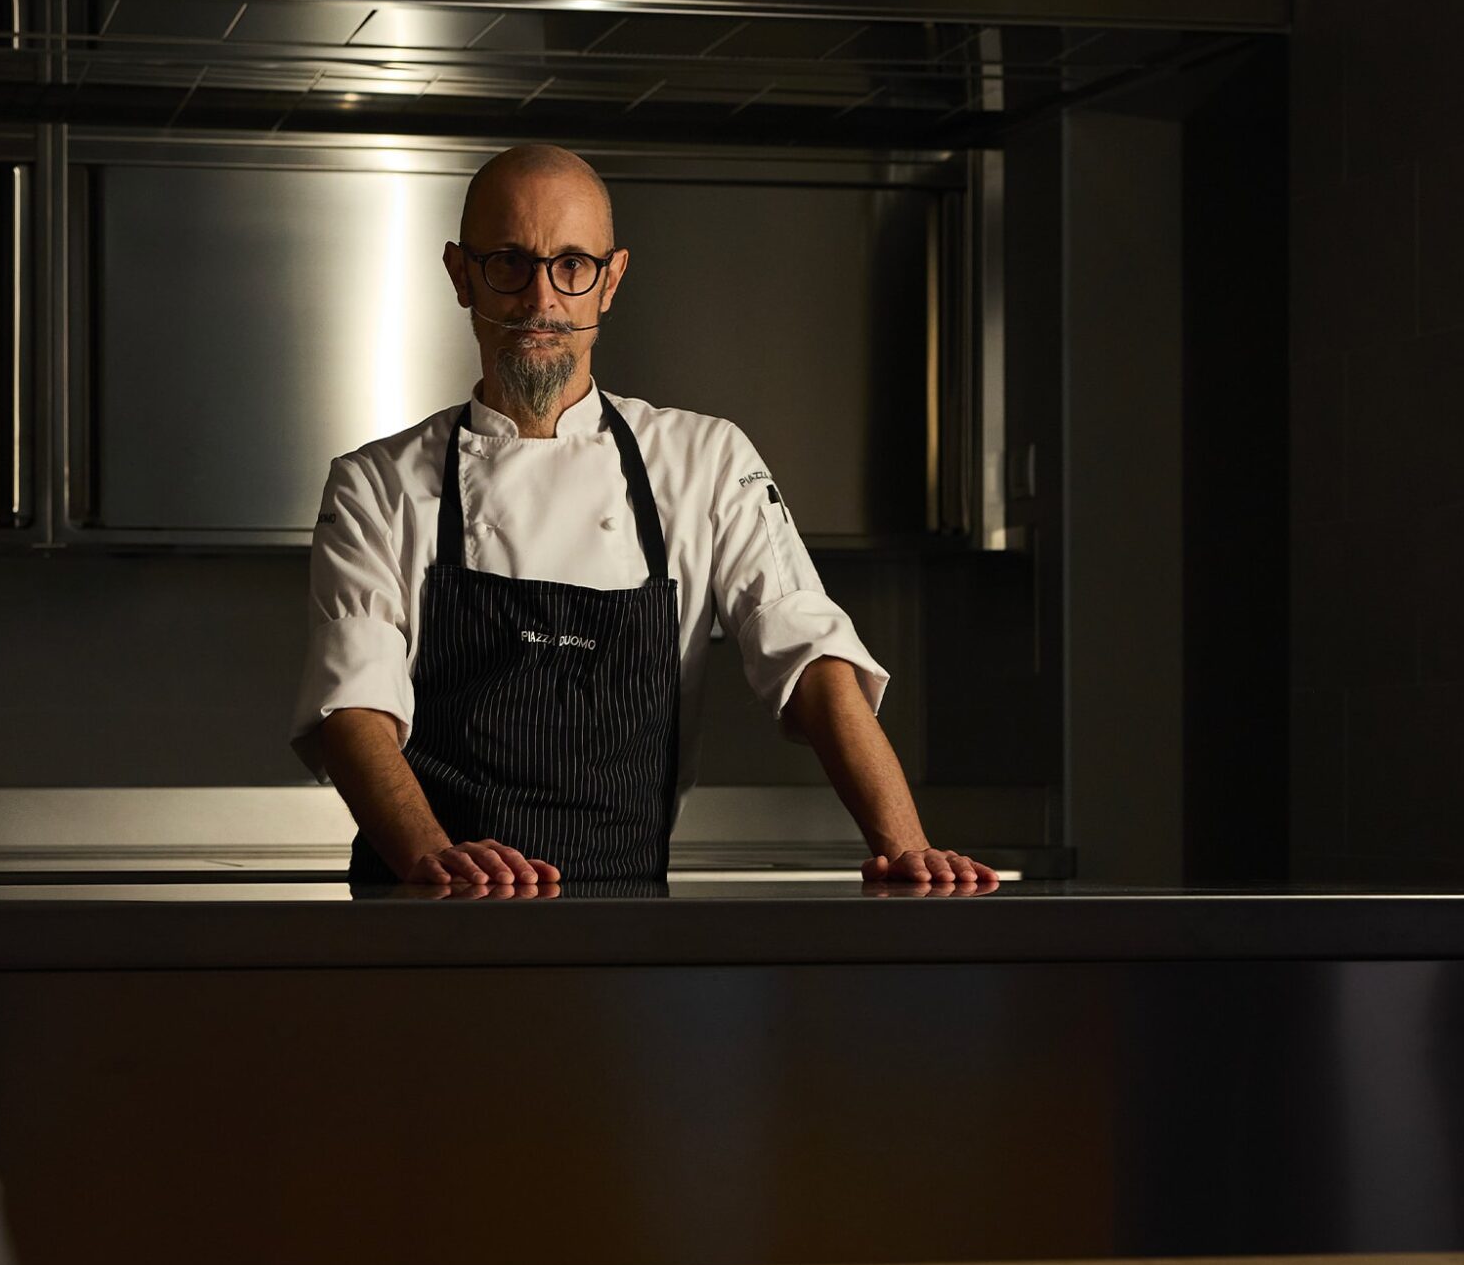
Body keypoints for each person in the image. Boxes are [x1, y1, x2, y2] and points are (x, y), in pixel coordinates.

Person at [291, 143, 1002, 896]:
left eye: (572, 265)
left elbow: (811, 656)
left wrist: (907, 846)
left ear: (611, 280)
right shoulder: (377, 482)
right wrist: (433, 861)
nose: (542, 299)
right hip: (423, 908)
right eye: (509, 262)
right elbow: (354, 708)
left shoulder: (703, 460)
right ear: (461, 275)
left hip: (626, 913)